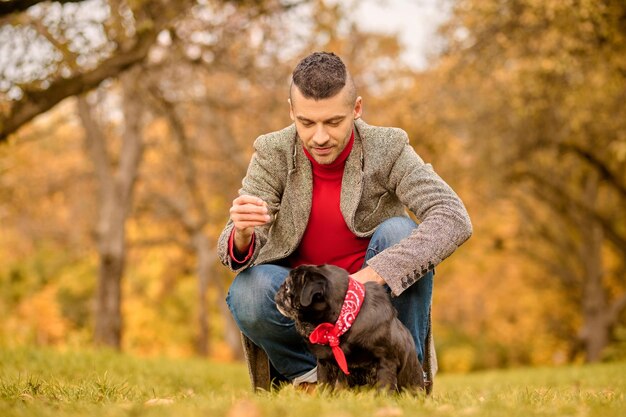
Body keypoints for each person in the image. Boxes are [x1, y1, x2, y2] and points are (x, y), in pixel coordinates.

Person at [218, 51, 472, 389]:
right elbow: (233, 249)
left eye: (333, 122)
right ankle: (309, 379)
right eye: (307, 122)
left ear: (356, 109)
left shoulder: (388, 147)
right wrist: (242, 234)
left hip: (374, 308)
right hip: (310, 306)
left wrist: (371, 278)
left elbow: (453, 216)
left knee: (400, 231)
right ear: (292, 112)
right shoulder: (272, 152)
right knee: (249, 289)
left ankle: (405, 378)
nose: (319, 137)